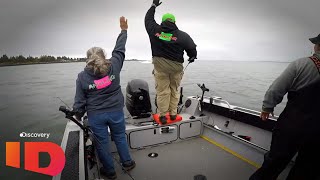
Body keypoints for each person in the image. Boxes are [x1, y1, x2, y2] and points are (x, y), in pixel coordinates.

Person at [249, 34, 320, 180]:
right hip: (317, 132)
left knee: (273, 164)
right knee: (305, 169)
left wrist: (267, 108)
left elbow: (276, 89)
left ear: (317, 46)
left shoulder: (300, 64)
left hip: (292, 126)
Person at [72, 17, 135, 179]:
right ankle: (127, 163)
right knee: (120, 137)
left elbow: (79, 103)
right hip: (116, 112)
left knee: (102, 144)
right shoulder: (114, 65)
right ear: (103, 56)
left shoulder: (82, 76)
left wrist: (78, 115)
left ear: (88, 59)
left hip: (96, 116)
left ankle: (110, 172)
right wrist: (124, 31)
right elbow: (120, 49)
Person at [145, 0, 197, 124]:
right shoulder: (182, 36)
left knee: (163, 91)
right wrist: (192, 56)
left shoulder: (155, 31)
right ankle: (173, 114)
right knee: (174, 89)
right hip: (176, 69)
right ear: (174, 22)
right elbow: (192, 48)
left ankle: (163, 115)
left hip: (161, 68)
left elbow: (148, 20)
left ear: (163, 21)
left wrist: (153, 6)